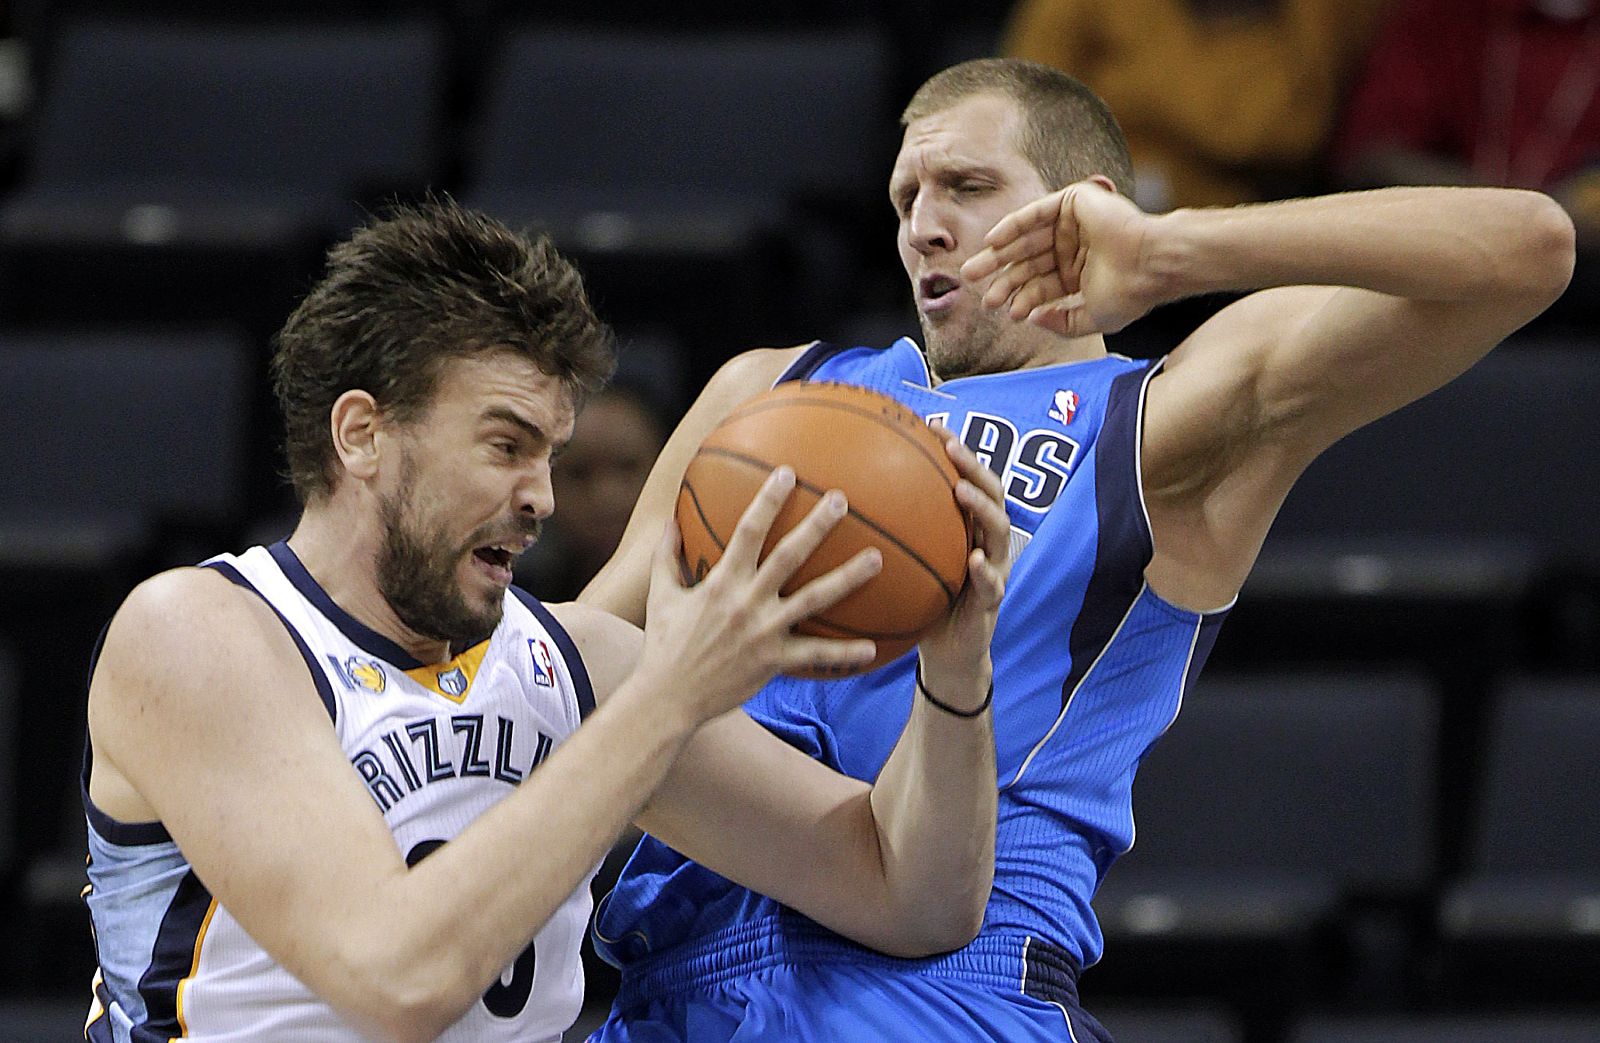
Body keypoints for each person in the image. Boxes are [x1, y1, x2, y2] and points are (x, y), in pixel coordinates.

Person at [578, 58, 1575, 1041]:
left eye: (967, 187)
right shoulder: (771, 387)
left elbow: (1528, 246)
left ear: (1085, 204)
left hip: (940, 985)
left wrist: (1173, 248)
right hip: (665, 982)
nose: (923, 222)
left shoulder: (1156, 423)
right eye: (905, 196)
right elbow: (564, 659)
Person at [79, 201, 1013, 1043]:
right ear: (361, 432)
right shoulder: (202, 632)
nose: (543, 497)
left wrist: (957, 664)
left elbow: (912, 895)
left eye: (551, 455)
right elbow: (394, 978)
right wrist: (671, 697)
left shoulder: (579, 663)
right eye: (506, 446)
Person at [1003, 0, 1389, 213]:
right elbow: (1026, 109)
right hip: (1087, 214)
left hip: (1258, 229)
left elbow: (1303, 135)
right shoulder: (1088, 12)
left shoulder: (1333, 16)